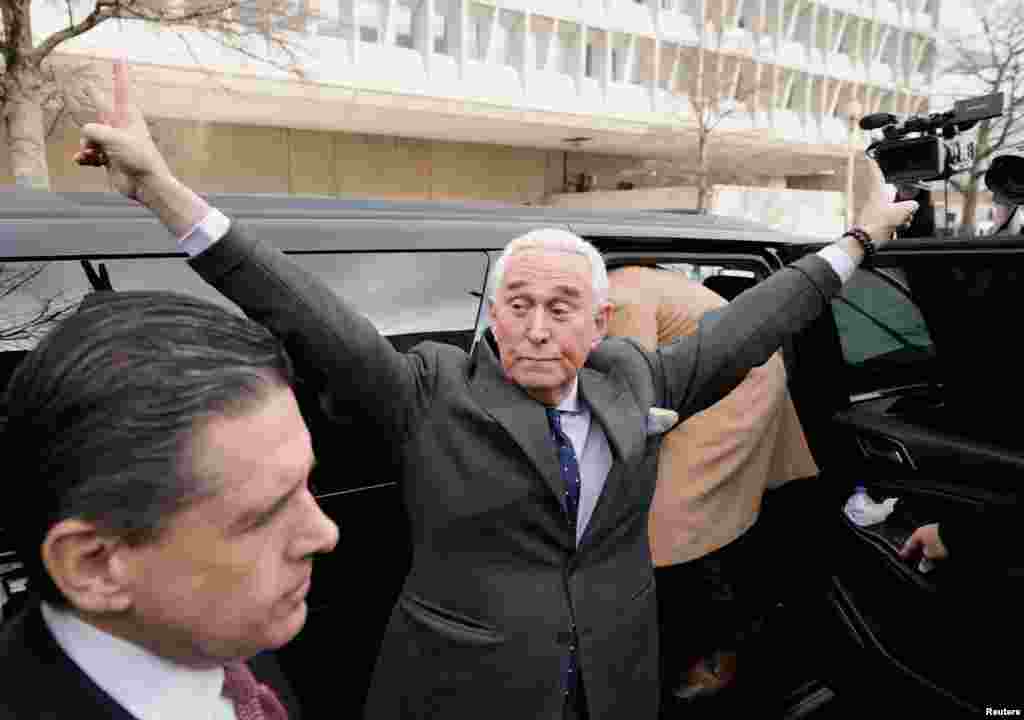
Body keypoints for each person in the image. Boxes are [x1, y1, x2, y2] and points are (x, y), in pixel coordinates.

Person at [73, 60, 918, 720]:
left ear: (600, 323)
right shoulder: (427, 390)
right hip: (462, 692)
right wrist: (160, 189)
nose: (538, 328)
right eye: (518, 305)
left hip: (617, 682)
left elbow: (758, 320)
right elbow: (301, 308)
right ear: (493, 318)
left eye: (562, 308)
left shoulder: (636, 376)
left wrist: (860, 238)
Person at [0, 291, 340, 719]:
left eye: (306, 484)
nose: (326, 534)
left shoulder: (214, 630)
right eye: (267, 513)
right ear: (94, 564)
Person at [605, 268, 819, 709]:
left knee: (677, 524)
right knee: (697, 519)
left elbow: (634, 396)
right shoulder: (611, 285)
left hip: (734, 385)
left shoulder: (617, 299)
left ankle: (714, 656)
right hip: (727, 373)